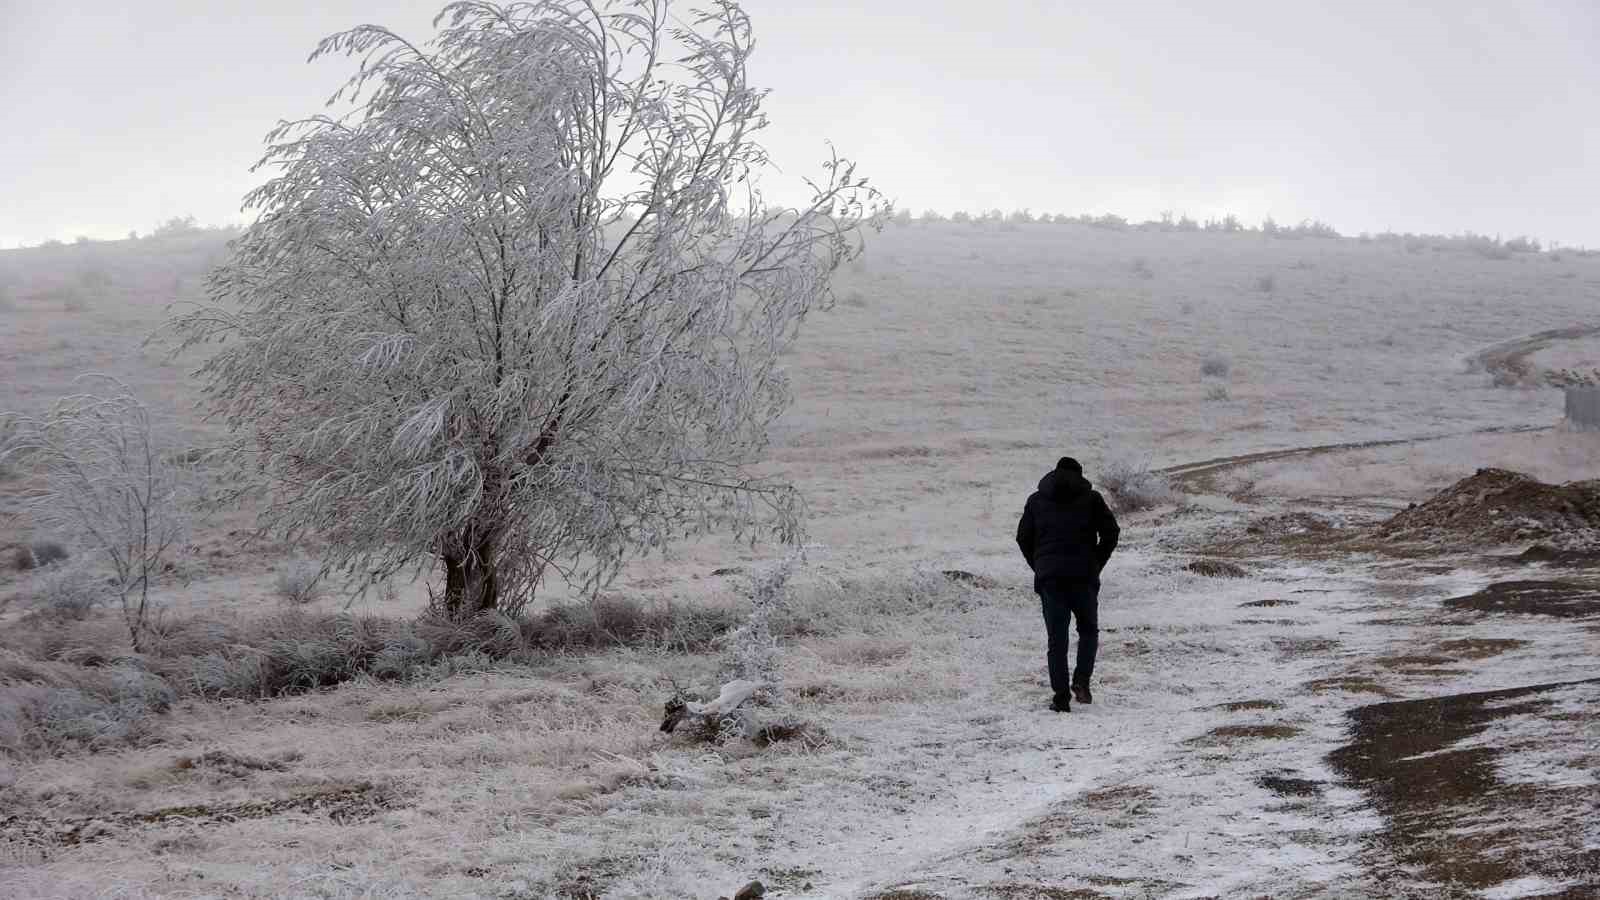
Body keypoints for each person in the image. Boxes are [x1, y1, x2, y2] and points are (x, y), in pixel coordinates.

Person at [1016, 456, 1120, 712]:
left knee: (1057, 639)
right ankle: (1082, 681)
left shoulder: (1036, 500)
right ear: (1079, 474)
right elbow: (1111, 533)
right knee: (1088, 630)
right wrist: (1096, 563)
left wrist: (1040, 566)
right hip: (1083, 574)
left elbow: (1023, 538)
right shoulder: (1091, 499)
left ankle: (1061, 697)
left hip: (1051, 578)